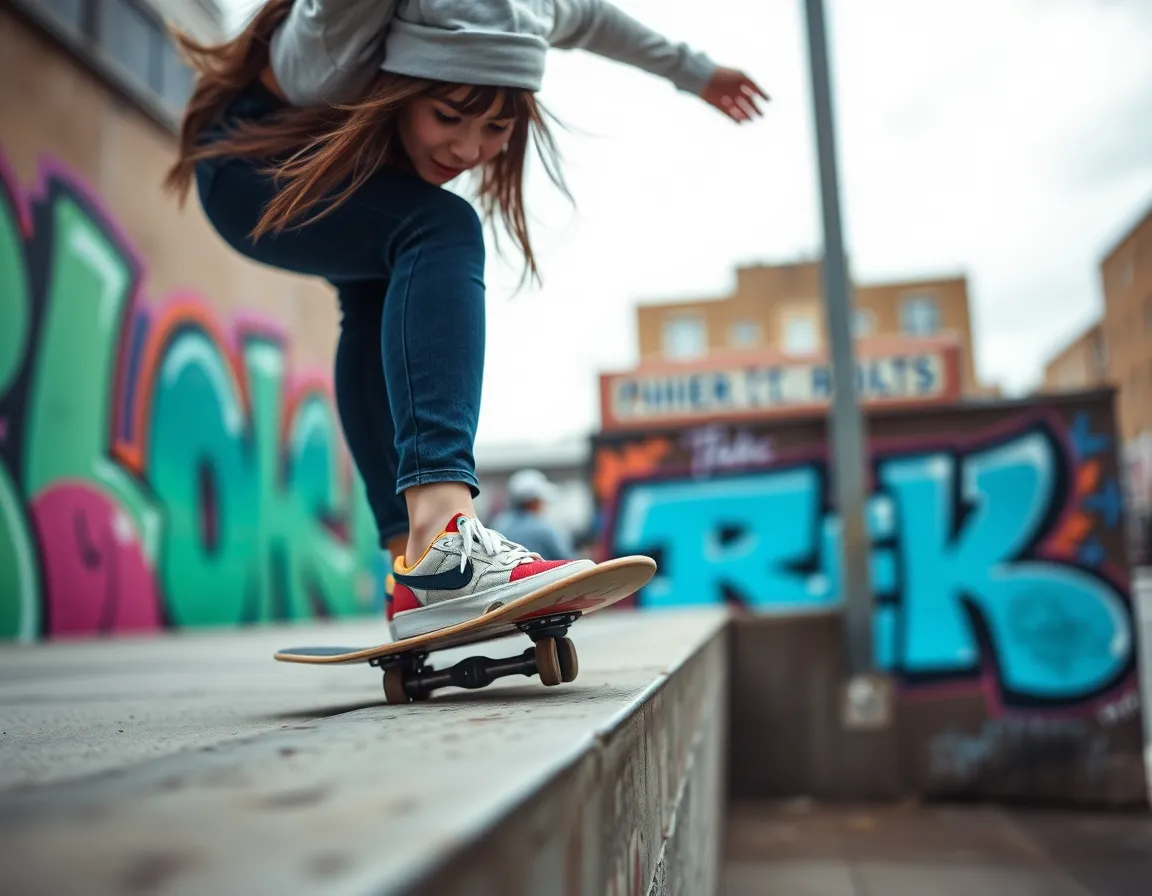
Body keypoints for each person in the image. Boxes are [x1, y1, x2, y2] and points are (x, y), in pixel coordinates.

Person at [164, 0, 767, 640]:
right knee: (440, 225)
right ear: (401, 85)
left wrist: (696, 72)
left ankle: (413, 572)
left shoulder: (525, 10)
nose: (466, 149)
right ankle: (445, 533)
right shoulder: (339, 30)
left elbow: (592, 20)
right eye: (447, 117)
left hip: (324, 161)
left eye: (494, 130)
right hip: (247, 166)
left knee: (377, 296)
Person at [491, 469, 575, 561]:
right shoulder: (543, 529)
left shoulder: (499, 525)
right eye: (540, 500)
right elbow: (568, 560)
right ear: (532, 502)